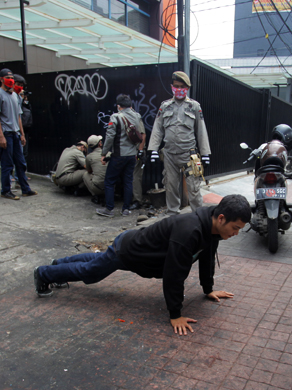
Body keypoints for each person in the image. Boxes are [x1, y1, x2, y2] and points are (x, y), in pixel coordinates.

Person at [34, 194, 251, 335]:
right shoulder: (190, 231)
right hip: (129, 251)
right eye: (235, 227)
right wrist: (175, 314)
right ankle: (43, 274)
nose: (236, 233)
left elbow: (206, 257)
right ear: (221, 218)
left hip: (137, 250)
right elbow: (174, 273)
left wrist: (208, 289)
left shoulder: (212, 229)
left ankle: (57, 265)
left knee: (97, 261)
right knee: (91, 272)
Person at [148, 71, 211, 215]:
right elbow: (157, 128)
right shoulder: (165, 106)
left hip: (189, 154)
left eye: (182, 86)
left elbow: (201, 130)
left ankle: (199, 216)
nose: (179, 89)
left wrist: (205, 153)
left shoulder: (194, 106)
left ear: (187, 88)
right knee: (170, 186)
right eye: (176, 86)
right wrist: (153, 149)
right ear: (172, 87)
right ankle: (172, 216)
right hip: (169, 154)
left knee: (193, 187)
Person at [96, 94, 142, 218]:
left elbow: (110, 137)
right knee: (128, 181)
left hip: (119, 156)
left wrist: (104, 153)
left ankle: (109, 209)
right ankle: (126, 209)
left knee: (109, 181)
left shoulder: (116, 117)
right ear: (130, 105)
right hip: (132, 156)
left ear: (118, 106)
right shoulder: (137, 116)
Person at [0, 68, 37, 200]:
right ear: (1, 79)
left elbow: (19, 117)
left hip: (15, 134)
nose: (10, 80)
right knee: (7, 164)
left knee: (20, 163)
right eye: (7, 77)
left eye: (11, 78)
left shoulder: (15, 96)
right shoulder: (0, 94)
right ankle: (6, 190)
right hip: (6, 134)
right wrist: (1, 136)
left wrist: (22, 134)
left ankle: (25, 189)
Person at [83, 135, 107, 204]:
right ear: (99, 144)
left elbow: (89, 171)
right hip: (110, 187)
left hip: (97, 188)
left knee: (85, 174)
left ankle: (95, 195)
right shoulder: (109, 154)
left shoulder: (89, 157)